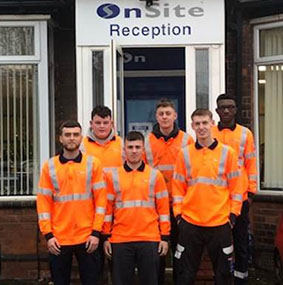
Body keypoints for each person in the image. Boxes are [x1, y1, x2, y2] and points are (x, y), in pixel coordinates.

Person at [172, 109, 242, 285]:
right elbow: (178, 188)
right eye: (197, 124)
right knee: (184, 274)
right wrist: (179, 216)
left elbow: (236, 189)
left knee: (224, 276)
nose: (201, 127)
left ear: (212, 123)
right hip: (190, 223)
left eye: (204, 123)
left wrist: (233, 216)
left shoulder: (228, 153)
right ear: (192, 126)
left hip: (219, 223)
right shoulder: (184, 154)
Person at [37, 120, 107, 285]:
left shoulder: (93, 164)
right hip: (59, 239)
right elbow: (43, 204)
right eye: (67, 135)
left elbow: (101, 201)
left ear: (81, 137)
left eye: (75, 134)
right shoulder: (50, 167)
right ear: (60, 138)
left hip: (88, 237)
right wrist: (48, 235)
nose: (71, 138)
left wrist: (96, 233)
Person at [103, 131, 170, 285]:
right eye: (130, 147)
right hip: (120, 239)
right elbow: (107, 209)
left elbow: (163, 210)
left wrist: (164, 237)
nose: (134, 151)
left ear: (143, 149)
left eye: (137, 147)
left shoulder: (155, 175)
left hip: (149, 238)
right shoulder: (113, 176)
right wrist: (106, 236)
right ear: (124, 149)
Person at [143, 98, 193, 284]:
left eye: (168, 113)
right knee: (157, 254)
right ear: (156, 116)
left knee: (181, 252)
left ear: (175, 115)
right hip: (155, 207)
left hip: (181, 206)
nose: (165, 117)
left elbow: (193, 172)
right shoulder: (146, 141)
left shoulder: (187, 140)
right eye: (161, 114)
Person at [212, 94, 257, 284]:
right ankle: (222, 277)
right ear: (217, 111)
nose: (227, 111)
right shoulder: (210, 133)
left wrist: (251, 192)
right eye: (223, 107)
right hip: (217, 197)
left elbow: (251, 163)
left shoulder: (245, 134)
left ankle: (241, 278)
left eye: (230, 107)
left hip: (240, 196)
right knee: (218, 241)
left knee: (240, 240)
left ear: (236, 110)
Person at [80, 105, 124, 173]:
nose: (102, 126)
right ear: (91, 124)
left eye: (105, 123)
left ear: (111, 124)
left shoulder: (121, 144)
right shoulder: (82, 146)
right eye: (98, 123)